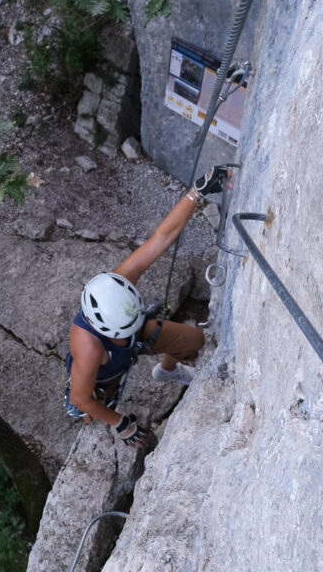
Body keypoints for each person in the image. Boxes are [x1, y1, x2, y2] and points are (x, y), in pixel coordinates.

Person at [64, 167, 229, 447]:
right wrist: (121, 424)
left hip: (135, 336)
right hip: (104, 378)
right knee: (95, 412)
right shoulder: (88, 350)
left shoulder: (117, 285)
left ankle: (167, 371)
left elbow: (161, 238)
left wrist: (195, 193)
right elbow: (80, 398)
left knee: (195, 341)